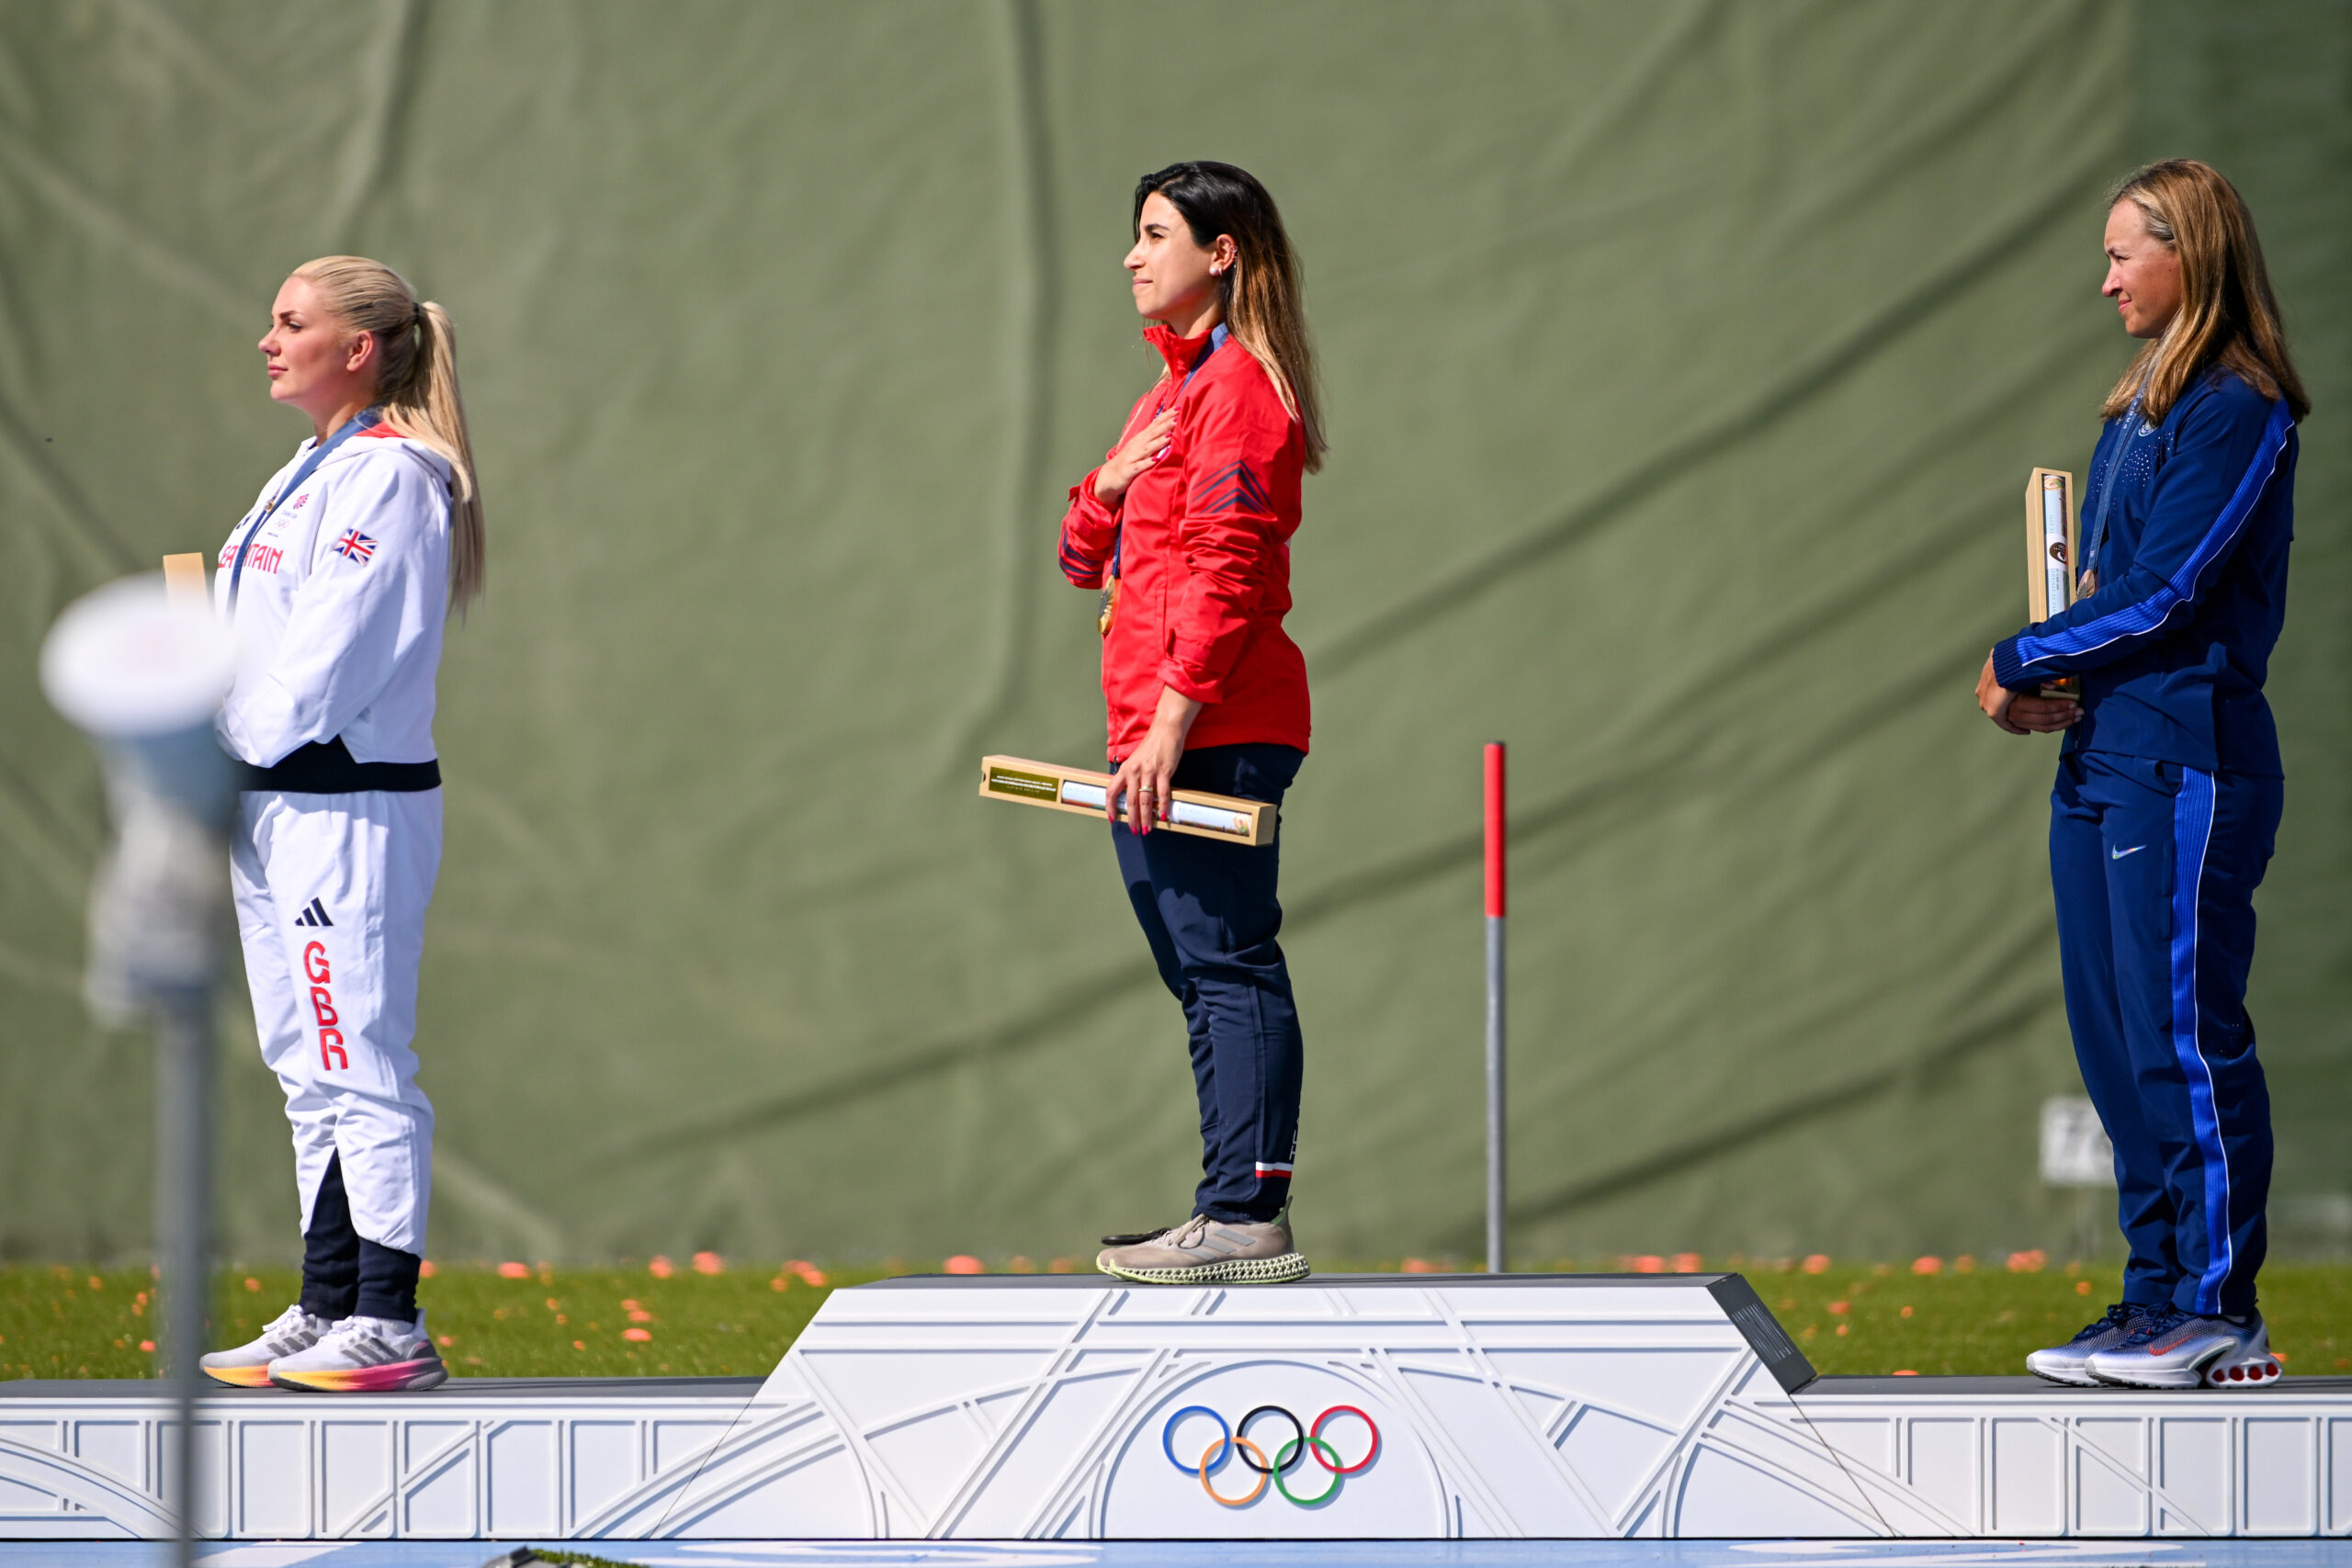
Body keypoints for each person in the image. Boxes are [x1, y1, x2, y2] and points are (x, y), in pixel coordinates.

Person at [1977, 161, 2307, 1390]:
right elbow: (2111, 597)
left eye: (2126, 252)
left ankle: (2219, 1307)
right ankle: (2154, 1294)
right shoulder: (2140, 410)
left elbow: (2166, 594)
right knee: (2117, 1044)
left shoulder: (2238, 406)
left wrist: (2018, 655)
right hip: (2104, 755)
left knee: (2182, 1036)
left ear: (2193, 254)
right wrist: (2053, 681)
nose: (2107, 275)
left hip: (2187, 761)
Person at [198, 256, 483, 1392]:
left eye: (291, 322)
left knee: (359, 1057)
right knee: (305, 1063)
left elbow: (328, 658)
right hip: (270, 803)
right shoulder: (311, 468)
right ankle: (326, 1303)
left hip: (340, 804)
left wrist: (221, 746)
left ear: (359, 348)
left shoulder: (396, 477)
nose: (268, 340)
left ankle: (390, 1318)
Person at [1059, 163, 1326, 1285]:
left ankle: (1244, 1213)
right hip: (1153, 729)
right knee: (1200, 970)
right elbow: (1083, 564)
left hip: (1209, 727)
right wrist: (1107, 484)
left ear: (1221, 253)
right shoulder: (1167, 396)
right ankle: (1226, 1208)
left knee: (1227, 962)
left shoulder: (1239, 392)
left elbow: (1224, 572)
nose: (1131, 255)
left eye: (1154, 234)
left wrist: (1172, 724)